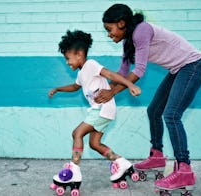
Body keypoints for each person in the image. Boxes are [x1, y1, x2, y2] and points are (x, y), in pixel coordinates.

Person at [97, 3, 201, 192]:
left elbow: (139, 70)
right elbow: (123, 72)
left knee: (171, 115)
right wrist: (102, 88)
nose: (108, 34)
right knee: (154, 110)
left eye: (109, 29)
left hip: (193, 66)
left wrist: (112, 92)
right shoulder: (128, 41)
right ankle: (157, 156)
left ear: (122, 23)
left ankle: (184, 169)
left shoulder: (141, 31)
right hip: (178, 70)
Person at [48, 30, 141, 193]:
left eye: (68, 58)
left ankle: (74, 170)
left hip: (102, 109)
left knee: (77, 133)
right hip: (102, 110)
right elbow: (75, 87)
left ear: (79, 54)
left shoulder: (91, 65)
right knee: (94, 144)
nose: (68, 63)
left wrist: (130, 85)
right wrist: (58, 89)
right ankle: (122, 163)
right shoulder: (81, 72)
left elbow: (110, 74)